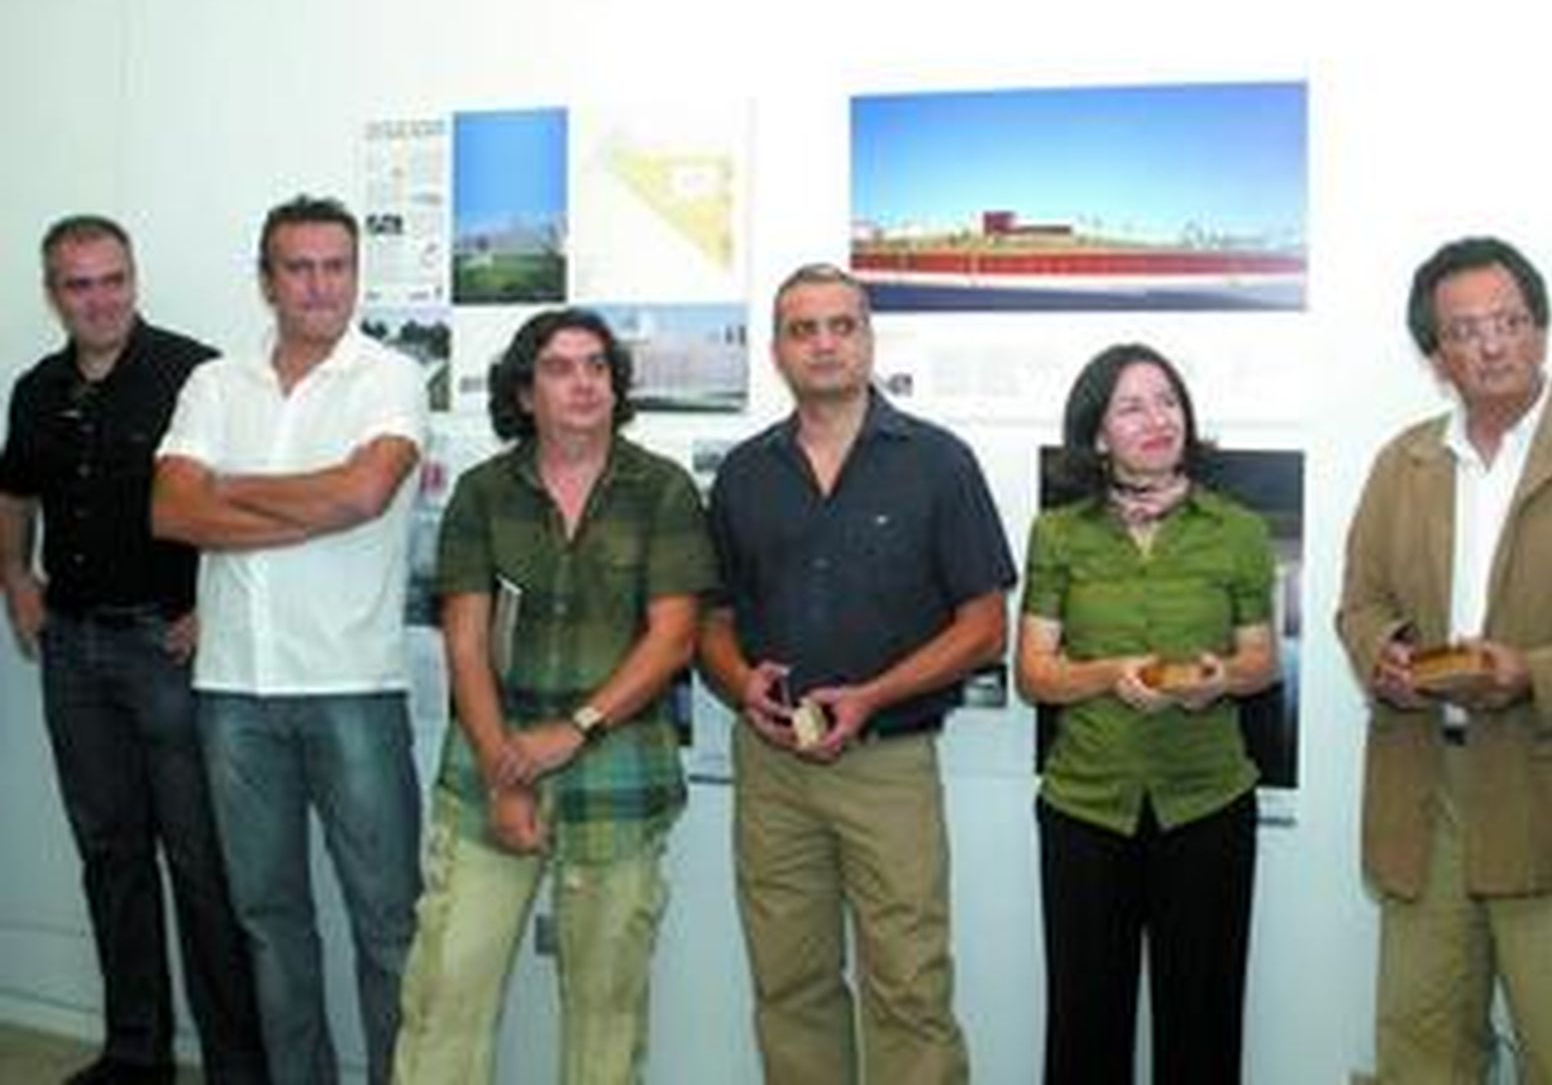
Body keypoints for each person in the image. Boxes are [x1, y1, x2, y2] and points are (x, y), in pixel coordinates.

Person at [699, 262, 1015, 1084]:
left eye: (842, 325)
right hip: (773, 768)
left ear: (869, 339)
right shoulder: (745, 473)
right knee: (789, 984)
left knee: (908, 985)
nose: (824, 344)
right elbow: (712, 619)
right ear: (777, 350)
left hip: (888, 764)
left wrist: (872, 695)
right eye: (803, 329)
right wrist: (740, 683)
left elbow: (986, 628)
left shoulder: (938, 462)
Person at [392, 307, 715, 1084]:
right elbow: (465, 642)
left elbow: (674, 637)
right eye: (560, 368)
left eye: (597, 366)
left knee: (607, 1021)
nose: (583, 383)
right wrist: (506, 773)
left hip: (618, 780)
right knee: (444, 1000)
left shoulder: (663, 490)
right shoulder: (482, 493)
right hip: (488, 770)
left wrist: (576, 728)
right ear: (524, 392)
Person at [150, 195, 427, 1085]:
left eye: (336, 266)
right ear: (267, 280)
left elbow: (364, 496)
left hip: (353, 687)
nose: (319, 285)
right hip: (234, 688)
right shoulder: (214, 383)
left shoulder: (390, 377)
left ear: (355, 273)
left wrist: (230, 488)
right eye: (298, 267)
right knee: (269, 921)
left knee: (388, 921)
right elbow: (170, 510)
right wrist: (311, 499)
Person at [0, 216, 265, 1085]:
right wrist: (16, 577)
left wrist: (214, 606)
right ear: (53, 294)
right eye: (79, 284)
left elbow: (237, 495)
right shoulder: (36, 389)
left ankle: (236, 1065)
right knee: (111, 856)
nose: (100, 299)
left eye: (113, 279)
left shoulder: (196, 374)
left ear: (134, 279)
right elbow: (14, 493)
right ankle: (135, 1052)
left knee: (201, 864)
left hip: (170, 651)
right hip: (73, 651)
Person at [1337, 236, 1552, 1082]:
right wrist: (1383, 654)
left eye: (1510, 321)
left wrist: (1533, 673)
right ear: (1435, 354)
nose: (1492, 344)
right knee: (1420, 1050)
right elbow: (1360, 602)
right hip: (1427, 791)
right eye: (1465, 330)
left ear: (1541, 328)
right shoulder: (1403, 462)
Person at [1013, 343, 1277, 1085]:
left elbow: (1262, 662)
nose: (1157, 420)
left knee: (1202, 1028)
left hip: (1208, 805)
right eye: (1131, 407)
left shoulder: (1237, 529)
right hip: (1087, 808)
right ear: (1098, 434)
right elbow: (1033, 674)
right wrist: (1108, 673)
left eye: (1168, 402)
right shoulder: (1059, 533)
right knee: (1084, 1029)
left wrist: (1219, 679)